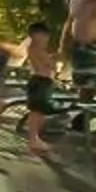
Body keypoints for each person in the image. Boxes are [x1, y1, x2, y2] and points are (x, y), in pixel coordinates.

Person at [18, 21, 61, 157]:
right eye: (43, 36)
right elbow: (51, 66)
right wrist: (54, 61)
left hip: (42, 81)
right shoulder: (37, 50)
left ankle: (35, 137)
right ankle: (33, 138)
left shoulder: (33, 49)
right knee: (36, 111)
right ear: (35, 36)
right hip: (40, 81)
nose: (45, 40)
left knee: (39, 111)